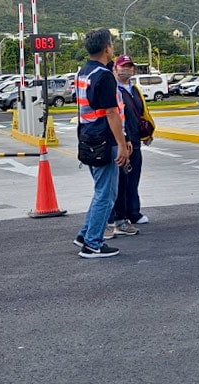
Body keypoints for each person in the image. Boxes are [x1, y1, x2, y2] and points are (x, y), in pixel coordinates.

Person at [72, 28, 132, 259]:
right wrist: (122, 143)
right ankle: (93, 244)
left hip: (88, 138)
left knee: (101, 191)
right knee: (106, 194)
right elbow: (111, 113)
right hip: (104, 140)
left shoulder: (83, 72)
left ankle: (85, 234)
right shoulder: (103, 75)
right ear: (107, 47)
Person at [107, 54, 155, 236]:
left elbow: (143, 112)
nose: (126, 69)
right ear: (115, 69)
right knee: (120, 182)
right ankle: (118, 217)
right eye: (122, 66)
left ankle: (133, 212)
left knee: (133, 179)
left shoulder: (135, 89)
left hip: (135, 141)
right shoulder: (113, 90)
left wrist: (148, 133)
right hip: (122, 142)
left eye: (129, 66)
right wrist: (122, 140)